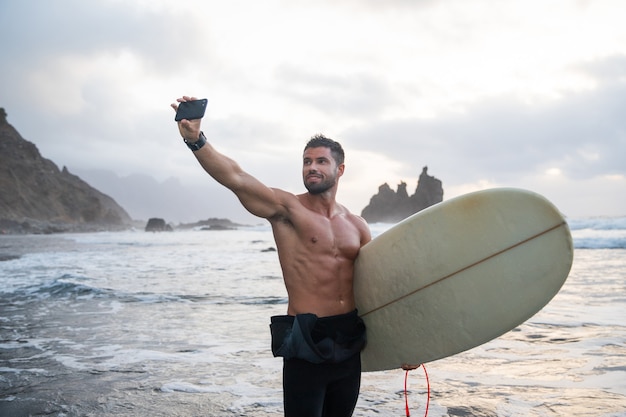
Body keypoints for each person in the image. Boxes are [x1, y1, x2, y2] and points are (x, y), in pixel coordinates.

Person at [172, 96, 372, 417]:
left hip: (349, 339)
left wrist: (405, 345)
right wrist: (197, 140)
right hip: (306, 339)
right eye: (307, 161)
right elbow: (236, 178)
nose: (312, 167)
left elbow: (376, 288)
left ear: (340, 168)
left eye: (321, 161)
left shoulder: (357, 226)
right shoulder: (287, 209)